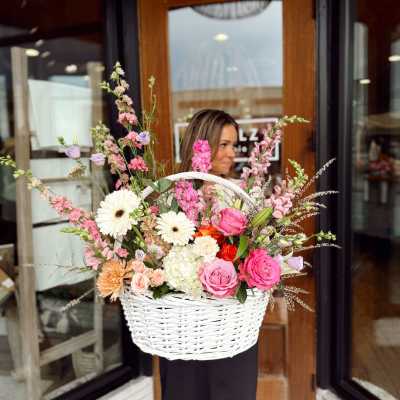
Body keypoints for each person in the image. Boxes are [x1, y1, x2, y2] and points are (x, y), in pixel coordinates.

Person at [159, 109, 258, 400]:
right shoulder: (172, 195)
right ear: (200, 145)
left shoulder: (240, 195)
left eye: (234, 145)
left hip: (230, 327)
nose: (231, 153)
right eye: (223, 145)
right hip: (184, 329)